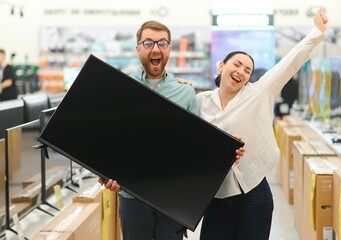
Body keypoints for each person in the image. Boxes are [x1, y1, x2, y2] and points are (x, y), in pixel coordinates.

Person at [98, 20, 245, 240]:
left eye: (162, 43)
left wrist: (225, 151)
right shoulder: (121, 88)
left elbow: (195, 146)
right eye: (148, 43)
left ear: (169, 49)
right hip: (132, 196)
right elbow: (110, 140)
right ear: (138, 48)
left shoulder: (185, 92)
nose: (155, 48)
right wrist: (105, 172)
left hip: (172, 198)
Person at [194, 8, 328, 240]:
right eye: (236, 65)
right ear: (221, 66)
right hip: (215, 195)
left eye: (248, 70)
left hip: (253, 193)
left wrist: (315, 32)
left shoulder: (259, 93)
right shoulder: (200, 101)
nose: (241, 72)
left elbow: (291, 62)